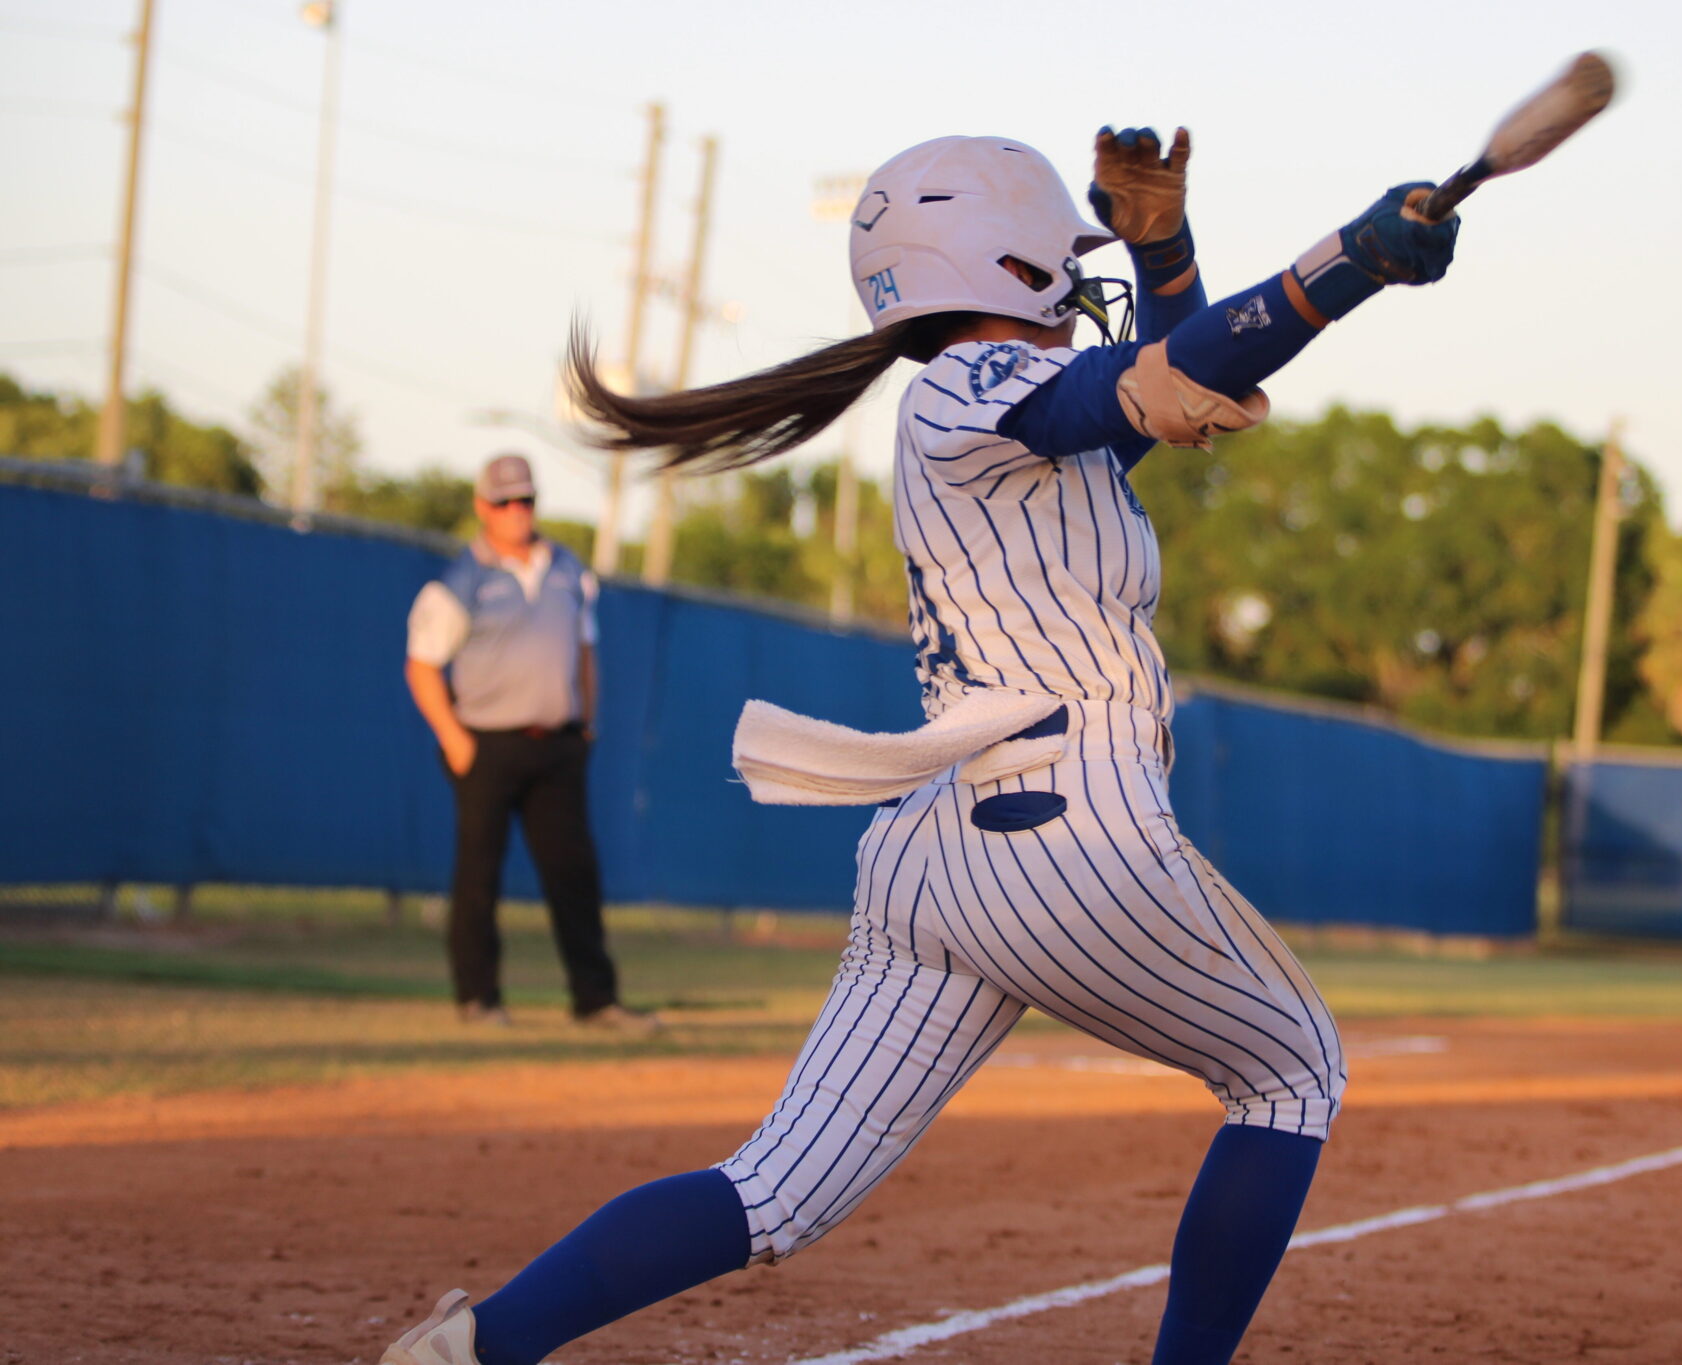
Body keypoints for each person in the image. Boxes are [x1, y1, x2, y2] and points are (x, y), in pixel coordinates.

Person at [378, 128, 1457, 1365]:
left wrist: (1169, 247)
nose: (1078, 277)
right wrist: (1350, 263)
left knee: (770, 1190)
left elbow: (1173, 374)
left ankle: (472, 1349)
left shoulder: (998, 408)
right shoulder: (970, 390)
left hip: (942, 857)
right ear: (999, 268)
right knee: (1290, 1074)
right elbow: (1184, 365)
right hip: (1068, 829)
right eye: (1061, 255)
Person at [403, 452, 654, 1034]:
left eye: (526, 500)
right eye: (504, 502)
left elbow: (585, 652)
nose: (517, 512)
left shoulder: (567, 567)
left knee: (574, 875)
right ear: (482, 508)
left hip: (558, 745)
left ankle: (595, 1001)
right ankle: (479, 999)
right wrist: (454, 737)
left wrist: (586, 724)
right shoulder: (460, 581)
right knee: (479, 875)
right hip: (486, 745)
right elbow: (421, 666)